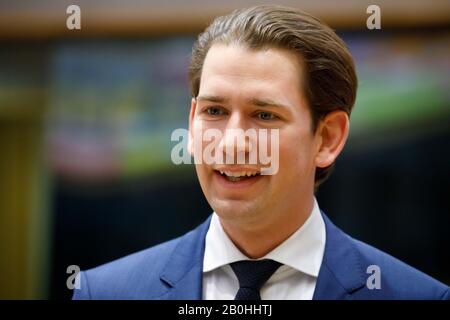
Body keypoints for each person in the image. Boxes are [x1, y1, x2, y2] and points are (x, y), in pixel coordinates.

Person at [73, 5, 449, 300]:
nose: (233, 142)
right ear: (191, 120)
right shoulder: (106, 292)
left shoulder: (414, 295)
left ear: (328, 138)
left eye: (264, 115)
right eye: (214, 111)